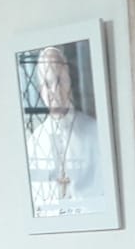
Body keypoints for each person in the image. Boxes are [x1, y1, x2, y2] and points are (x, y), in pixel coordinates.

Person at [25, 44, 100, 213]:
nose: (55, 90)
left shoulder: (95, 132)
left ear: (69, 82)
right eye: (47, 83)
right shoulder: (34, 142)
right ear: (40, 90)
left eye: (60, 80)